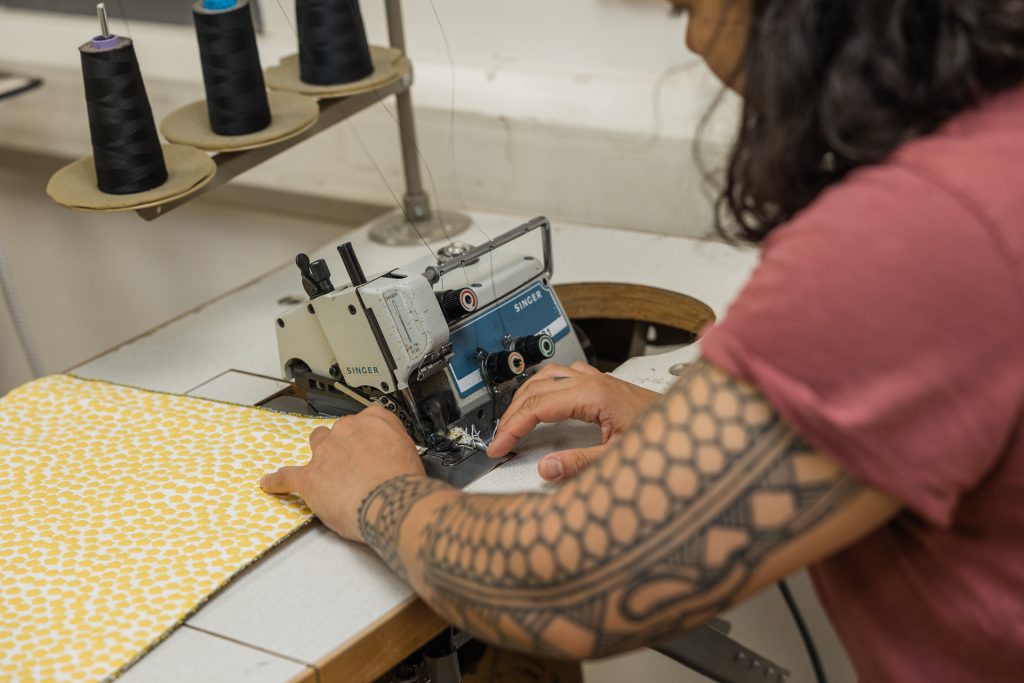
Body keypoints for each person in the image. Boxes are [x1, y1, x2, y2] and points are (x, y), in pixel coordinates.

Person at [260, 1, 1024, 680]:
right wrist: (689, 436)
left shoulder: (914, 238)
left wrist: (379, 493)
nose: (690, 37)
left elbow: (570, 584)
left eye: (684, 5)